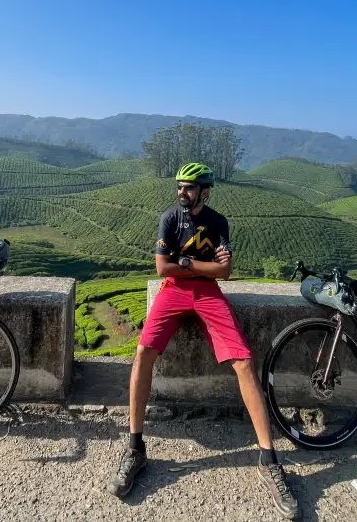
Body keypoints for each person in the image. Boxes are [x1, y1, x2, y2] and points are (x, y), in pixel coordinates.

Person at [107, 162, 301, 520]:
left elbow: (225, 273)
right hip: (173, 292)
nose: (182, 192)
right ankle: (135, 448)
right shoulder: (169, 218)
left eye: (190, 188)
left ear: (205, 191)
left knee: (243, 361)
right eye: (180, 186)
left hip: (208, 294)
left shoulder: (218, 222)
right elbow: (162, 270)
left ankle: (268, 459)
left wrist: (186, 262)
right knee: (142, 353)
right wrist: (199, 265)